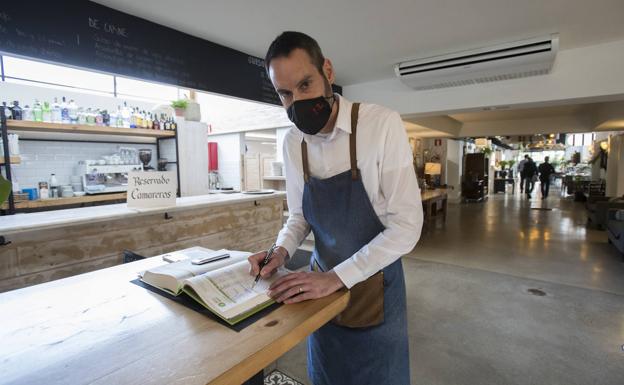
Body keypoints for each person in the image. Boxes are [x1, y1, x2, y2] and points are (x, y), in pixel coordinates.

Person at [247, 31, 423, 385]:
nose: (297, 101)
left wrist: (335, 278)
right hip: (318, 292)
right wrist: (280, 250)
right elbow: (299, 216)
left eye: (305, 84)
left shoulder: (379, 124)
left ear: (327, 70)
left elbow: (407, 227)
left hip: (375, 291)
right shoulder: (293, 141)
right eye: (285, 93)